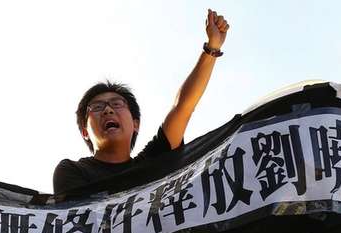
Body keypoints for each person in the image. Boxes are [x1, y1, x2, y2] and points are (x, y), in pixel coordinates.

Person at [53, 9, 229, 194]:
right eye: (97, 107)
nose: (108, 110)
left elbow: (183, 107)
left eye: (117, 104)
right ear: (84, 131)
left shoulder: (153, 162)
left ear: (135, 124)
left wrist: (212, 48)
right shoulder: (72, 171)